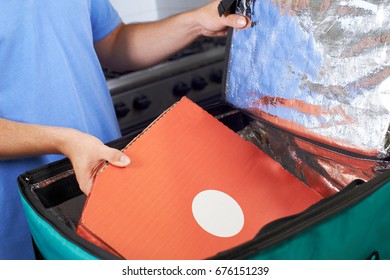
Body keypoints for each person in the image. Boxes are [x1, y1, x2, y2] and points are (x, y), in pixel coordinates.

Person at [0, 0, 250, 260]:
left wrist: (197, 22)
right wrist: (64, 141)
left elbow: (116, 44)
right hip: (20, 217)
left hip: (103, 181)